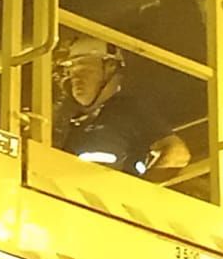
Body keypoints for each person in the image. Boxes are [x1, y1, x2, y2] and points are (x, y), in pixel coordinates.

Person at [54, 35, 190, 178]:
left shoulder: (128, 110)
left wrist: (140, 191)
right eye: (72, 72)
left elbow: (177, 153)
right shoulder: (71, 124)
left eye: (85, 70)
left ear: (110, 68)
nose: (77, 78)